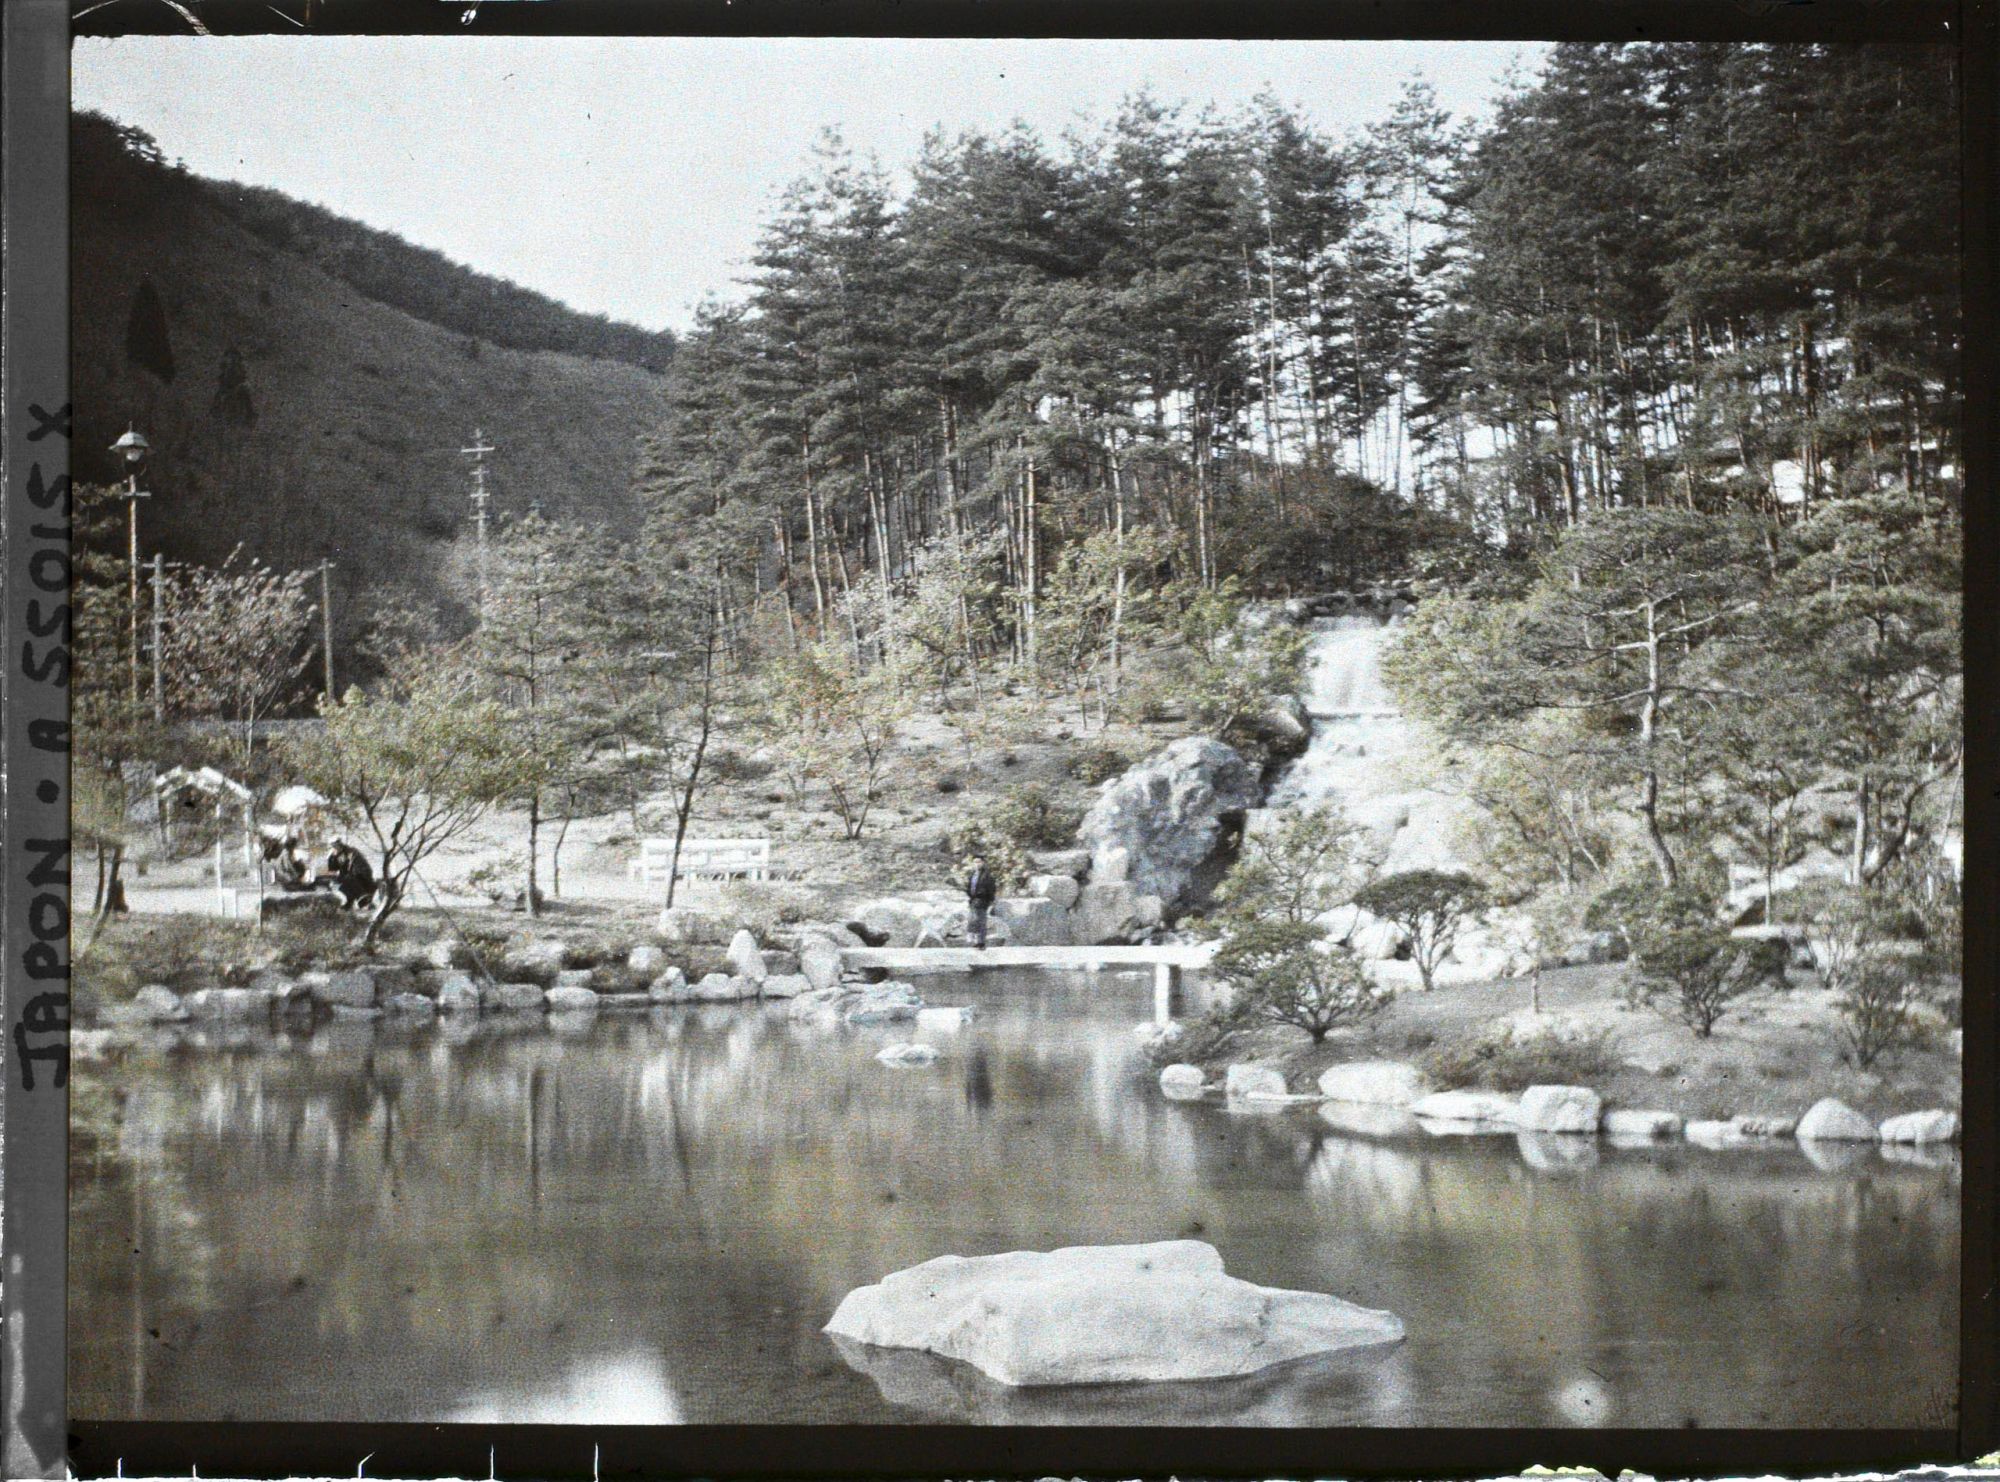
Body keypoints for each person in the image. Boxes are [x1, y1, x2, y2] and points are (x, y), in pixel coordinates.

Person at [326, 839, 376, 911]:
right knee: (337, 883)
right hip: (352, 877)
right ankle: (350, 902)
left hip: (361, 876)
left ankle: (362, 900)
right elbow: (332, 869)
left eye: (336, 844)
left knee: (347, 880)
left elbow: (354, 865)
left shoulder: (351, 851)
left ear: (340, 843)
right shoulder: (337, 855)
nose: (335, 847)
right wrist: (332, 857)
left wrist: (348, 873)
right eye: (333, 845)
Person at [965, 855, 998, 950]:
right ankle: (976, 941)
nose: (977, 864)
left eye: (979, 862)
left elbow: (991, 889)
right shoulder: (972, 875)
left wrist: (991, 900)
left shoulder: (987, 876)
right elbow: (970, 888)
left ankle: (981, 942)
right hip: (973, 900)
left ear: (983, 863)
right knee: (974, 919)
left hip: (982, 900)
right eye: (975, 862)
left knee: (980, 920)